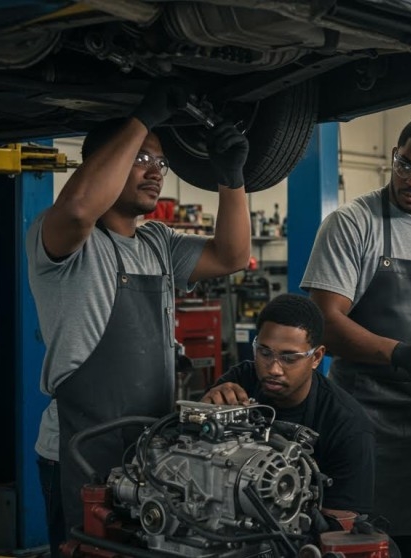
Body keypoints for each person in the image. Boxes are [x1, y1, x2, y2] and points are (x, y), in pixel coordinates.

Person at [27, 82, 253, 553]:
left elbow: (231, 255)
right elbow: (79, 207)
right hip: (78, 451)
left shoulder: (158, 244)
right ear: (105, 162)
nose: (156, 173)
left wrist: (231, 180)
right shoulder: (64, 240)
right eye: (142, 160)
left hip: (151, 452)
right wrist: (142, 119)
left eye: (161, 164)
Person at [301, 116, 411, 558]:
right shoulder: (351, 224)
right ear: (394, 157)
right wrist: (399, 353)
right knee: (354, 546)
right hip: (358, 417)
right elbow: (323, 320)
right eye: (405, 165)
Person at [202, 293, 375, 517]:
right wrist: (204, 410)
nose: (273, 369)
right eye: (264, 352)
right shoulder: (240, 382)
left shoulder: (347, 426)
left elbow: (342, 527)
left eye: (289, 358)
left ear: (316, 357)